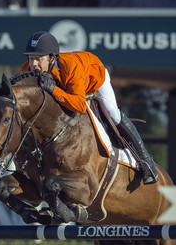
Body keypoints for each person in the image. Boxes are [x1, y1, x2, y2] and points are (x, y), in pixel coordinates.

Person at [19, 31, 158, 184]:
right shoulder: (27, 70)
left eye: (39, 59)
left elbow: (79, 105)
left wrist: (53, 90)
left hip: (95, 79)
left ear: (52, 58)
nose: (34, 64)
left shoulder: (70, 67)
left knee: (113, 113)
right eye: (31, 58)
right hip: (71, 86)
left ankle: (146, 160)